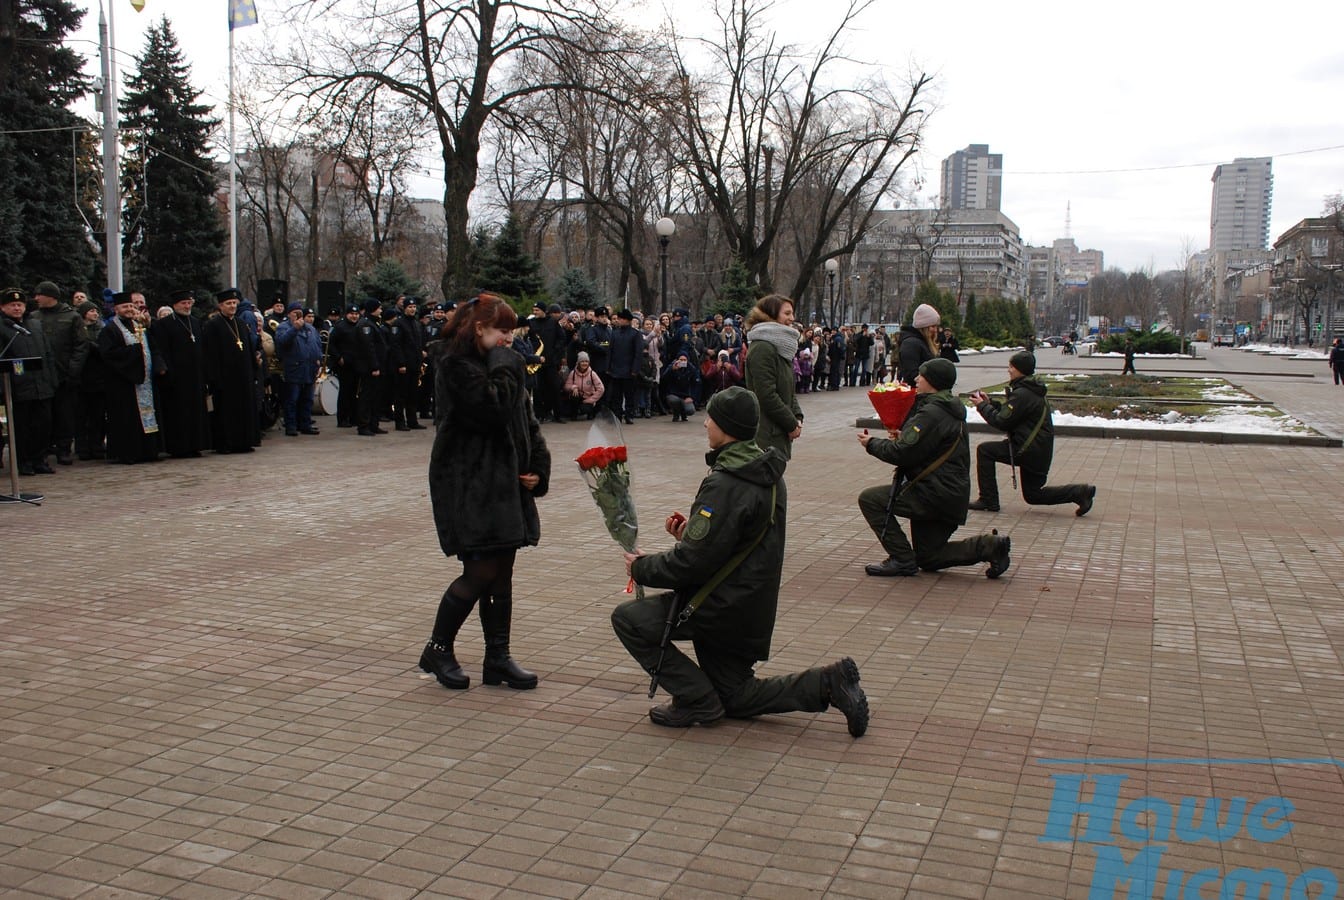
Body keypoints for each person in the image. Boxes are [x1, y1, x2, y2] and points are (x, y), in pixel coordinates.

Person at [611, 386, 869, 736]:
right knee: (737, 697)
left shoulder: (727, 482)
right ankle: (828, 683)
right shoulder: (767, 471)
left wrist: (641, 568)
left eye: (711, 418)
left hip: (719, 608)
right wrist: (691, 534)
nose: (705, 424)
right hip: (749, 605)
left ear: (727, 427)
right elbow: (738, 539)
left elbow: (693, 564)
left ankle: (696, 699)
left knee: (629, 620)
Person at [421, 293, 550, 692]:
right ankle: (438, 648)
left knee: (502, 572)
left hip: (505, 487)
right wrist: (507, 365)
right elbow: (492, 410)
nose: (509, 339)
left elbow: (525, 420)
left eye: (512, 332)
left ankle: (498, 657)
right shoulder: (455, 365)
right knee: (479, 571)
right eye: (502, 331)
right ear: (479, 328)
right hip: (469, 484)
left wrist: (537, 467)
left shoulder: (500, 364)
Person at [856, 358, 1011, 578]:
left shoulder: (933, 412)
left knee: (871, 499)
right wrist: (904, 437)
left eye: (922, 375)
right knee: (929, 557)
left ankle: (901, 559)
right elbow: (926, 445)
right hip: (946, 491)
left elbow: (903, 452)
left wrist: (872, 444)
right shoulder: (945, 407)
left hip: (934, 493)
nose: (917, 379)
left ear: (934, 381)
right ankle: (990, 546)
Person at [967, 351, 1097, 517]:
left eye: (1011, 367)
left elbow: (1002, 422)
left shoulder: (1023, 393)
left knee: (985, 451)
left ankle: (988, 499)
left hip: (1027, 449)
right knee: (1033, 495)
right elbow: (1012, 415)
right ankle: (1080, 492)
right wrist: (989, 403)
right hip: (1038, 449)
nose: (1009, 370)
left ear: (1020, 369)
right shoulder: (1030, 389)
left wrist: (982, 406)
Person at [96, 291, 163, 464]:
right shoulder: (110, 330)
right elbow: (108, 355)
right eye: (125, 306)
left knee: (148, 416)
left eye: (131, 306)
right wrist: (134, 352)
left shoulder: (139, 325)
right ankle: (128, 453)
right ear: (116, 309)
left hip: (145, 382)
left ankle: (148, 451)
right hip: (123, 384)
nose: (129, 310)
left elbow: (152, 347)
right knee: (127, 419)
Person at [31, 281, 91, 466]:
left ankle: (64, 449)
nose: (36, 298)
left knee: (65, 415)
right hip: (42, 376)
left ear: (50, 296)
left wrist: (73, 369)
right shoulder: (33, 318)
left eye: (39, 294)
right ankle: (44, 448)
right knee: (43, 416)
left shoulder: (71, 317)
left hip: (65, 375)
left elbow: (81, 345)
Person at [1, 287, 58, 476]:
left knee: (43, 425)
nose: (17, 308)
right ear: (3, 307)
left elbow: (47, 353)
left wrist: (51, 380)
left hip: (41, 385)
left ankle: (38, 459)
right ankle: (23, 462)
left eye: (20, 304)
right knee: (22, 428)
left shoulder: (34, 325)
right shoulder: (3, 327)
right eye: (12, 305)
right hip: (18, 387)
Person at [742, 294, 804, 464]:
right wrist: (791, 423)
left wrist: (797, 417)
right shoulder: (763, 347)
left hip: (777, 430)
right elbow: (766, 394)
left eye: (792, 313)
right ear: (771, 314)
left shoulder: (780, 348)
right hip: (765, 434)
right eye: (787, 313)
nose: (792, 318)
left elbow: (789, 389)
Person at [148, 289, 209, 458]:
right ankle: (179, 447)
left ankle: (196, 444)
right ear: (175, 305)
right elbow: (162, 350)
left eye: (189, 303)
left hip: (195, 376)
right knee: (178, 413)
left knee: (195, 412)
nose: (187, 306)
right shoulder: (164, 324)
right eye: (184, 303)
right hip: (176, 377)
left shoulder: (195, 322)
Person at [202, 288, 260, 454]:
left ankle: (244, 442)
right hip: (225, 378)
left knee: (244, 410)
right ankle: (225, 444)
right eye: (229, 303)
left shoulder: (241, 324)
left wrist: (253, 371)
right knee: (226, 413)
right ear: (221, 306)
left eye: (235, 303)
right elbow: (210, 354)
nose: (233, 306)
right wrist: (214, 378)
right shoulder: (212, 325)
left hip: (244, 376)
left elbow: (248, 348)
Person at [274, 302, 324, 436]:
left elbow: (317, 345)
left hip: (310, 368)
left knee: (307, 399)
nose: (297, 315)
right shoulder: (283, 327)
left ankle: (305, 424)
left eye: (299, 312)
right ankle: (291, 425)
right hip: (294, 368)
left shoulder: (310, 328)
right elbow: (282, 342)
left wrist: (319, 359)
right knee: (292, 399)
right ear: (289, 314)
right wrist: (294, 329)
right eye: (294, 312)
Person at [606, 308, 643, 424]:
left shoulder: (635, 334)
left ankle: (629, 414)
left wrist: (635, 369)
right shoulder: (615, 333)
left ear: (627, 320)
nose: (618, 321)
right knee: (616, 395)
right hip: (616, 369)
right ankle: (617, 415)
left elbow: (638, 353)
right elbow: (610, 351)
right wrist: (608, 367)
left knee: (629, 394)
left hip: (629, 370)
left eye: (621, 319)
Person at [326, 304, 361, 428]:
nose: (354, 316)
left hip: (356, 364)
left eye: (356, 314)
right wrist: (338, 357)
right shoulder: (340, 327)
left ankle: (353, 417)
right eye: (352, 314)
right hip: (344, 365)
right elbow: (331, 345)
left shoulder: (359, 326)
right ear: (347, 314)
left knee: (354, 393)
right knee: (345, 393)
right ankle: (342, 419)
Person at [896, 303, 940, 386]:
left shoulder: (921, 342)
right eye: (933, 326)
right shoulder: (911, 344)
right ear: (924, 326)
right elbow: (912, 375)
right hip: (919, 394)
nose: (935, 330)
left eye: (936, 326)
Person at [562, 350, 604, 419]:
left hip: (588, 399)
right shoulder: (573, 373)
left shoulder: (592, 374)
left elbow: (601, 389)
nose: (584, 363)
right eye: (582, 361)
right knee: (574, 396)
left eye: (586, 361)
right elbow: (566, 386)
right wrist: (573, 387)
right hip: (577, 398)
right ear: (578, 363)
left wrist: (591, 400)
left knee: (585, 409)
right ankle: (574, 414)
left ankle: (589, 412)